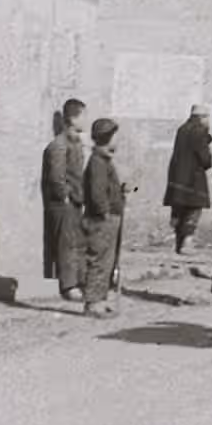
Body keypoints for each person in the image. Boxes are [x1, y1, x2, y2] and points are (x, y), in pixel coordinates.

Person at [40, 98, 87, 301]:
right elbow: (56, 177)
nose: (85, 120)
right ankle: (68, 286)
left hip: (75, 201)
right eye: (83, 115)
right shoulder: (58, 145)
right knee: (66, 244)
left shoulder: (75, 142)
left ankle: (79, 281)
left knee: (77, 242)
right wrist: (65, 196)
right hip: (63, 204)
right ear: (73, 118)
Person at [80, 116, 127, 318]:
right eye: (115, 136)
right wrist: (105, 212)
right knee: (99, 260)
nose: (117, 140)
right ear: (108, 138)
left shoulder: (104, 161)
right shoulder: (98, 162)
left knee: (108, 261)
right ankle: (92, 302)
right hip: (101, 220)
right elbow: (97, 192)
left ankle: (101, 298)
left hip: (109, 218)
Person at [165, 102, 212, 256]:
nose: (208, 121)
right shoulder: (199, 132)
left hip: (177, 177)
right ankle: (187, 243)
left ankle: (178, 243)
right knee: (194, 210)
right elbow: (205, 159)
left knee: (179, 209)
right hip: (193, 178)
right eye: (207, 117)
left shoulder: (182, 129)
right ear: (202, 117)